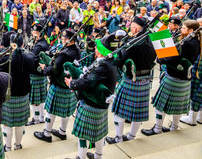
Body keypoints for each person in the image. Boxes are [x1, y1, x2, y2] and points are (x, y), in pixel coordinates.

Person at [65, 32, 121, 159]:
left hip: (92, 105)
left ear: (101, 50)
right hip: (100, 105)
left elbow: (88, 82)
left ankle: (81, 157)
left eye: (97, 47)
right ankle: (98, 156)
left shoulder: (103, 65)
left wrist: (72, 84)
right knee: (99, 134)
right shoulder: (109, 61)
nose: (94, 48)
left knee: (83, 135)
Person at [142, 20, 201, 136]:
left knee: (160, 104)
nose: (181, 30)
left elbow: (173, 58)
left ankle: (157, 128)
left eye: (183, 28)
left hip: (174, 77)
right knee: (178, 106)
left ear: (191, 31)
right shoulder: (196, 42)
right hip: (184, 78)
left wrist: (160, 59)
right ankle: (174, 127)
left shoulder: (186, 43)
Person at [106, 16, 156, 144]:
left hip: (131, 80)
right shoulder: (151, 41)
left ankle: (118, 138)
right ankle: (131, 136)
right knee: (138, 112)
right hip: (145, 80)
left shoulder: (131, 44)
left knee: (119, 111)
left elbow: (119, 61)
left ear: (135, 28)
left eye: (131, 26)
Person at [34, 28, 80, 143]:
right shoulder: (77, 51)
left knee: (50, 110)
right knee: (66, 111)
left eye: (64, 39)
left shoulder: (64, 54)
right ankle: (62, 132)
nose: (62, 41)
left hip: (58, 85)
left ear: (70, 40)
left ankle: (47, 133)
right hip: (69, 87)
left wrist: (44, 69)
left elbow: (53, 69)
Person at [27, 23, 49, 126]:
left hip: (36, 73)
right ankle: (41, 117)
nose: (33, 33)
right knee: (40, 98)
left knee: (36, 99)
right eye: (33, 31)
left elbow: (32, 57)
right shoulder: (38, 42)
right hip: (39, 74)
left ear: (40, 33)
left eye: (35, 32)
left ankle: (36, 119)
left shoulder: (41, 45)